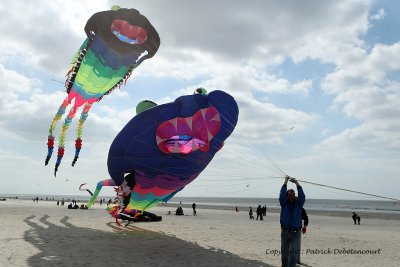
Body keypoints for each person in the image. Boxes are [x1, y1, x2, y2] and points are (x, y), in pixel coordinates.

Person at [279, 175, 305, 267]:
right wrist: (285, 181)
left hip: (296, 232)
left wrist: (296, 183)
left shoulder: (299, 204)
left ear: (295, 195)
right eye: (289, 195)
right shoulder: (284, 203)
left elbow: (302, 195)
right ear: (287, 196)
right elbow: (282, 194)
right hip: (285, 232)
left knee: (294, 254)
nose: (291, 197)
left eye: (293, 195)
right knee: (285, 254)